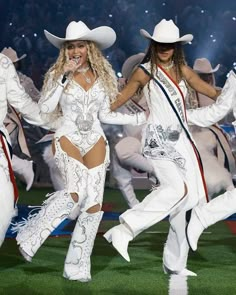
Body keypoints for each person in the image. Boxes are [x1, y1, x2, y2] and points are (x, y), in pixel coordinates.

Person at [13, 20, 146, 282]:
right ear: (65, 49)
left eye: (81, 46)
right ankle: (30, 234)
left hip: (95, 138)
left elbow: (106, 114)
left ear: (90, 48)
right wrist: (64, 76)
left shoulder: (102, 75)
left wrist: (137, 119)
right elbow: (45, 109)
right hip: (67, 136)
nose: (76, 51)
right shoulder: (56, 75)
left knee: (93, 204)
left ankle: (76, 266)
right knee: (75, 193)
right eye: (71, 46)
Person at [103, 19, 236, 276]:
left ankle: (174, 263)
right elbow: (121, 98)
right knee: (177, 190)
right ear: (153, 45)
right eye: (160, 44)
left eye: (170, 45)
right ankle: (125, 229)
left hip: (182, 141)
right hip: (156, 139)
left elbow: (212, 92)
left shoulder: (184, 70)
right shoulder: (144, 71)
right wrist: (96, 107)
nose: (165, 49)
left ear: (177, 47)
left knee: (187, 201)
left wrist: (230, 92)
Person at [0, 51, 55, 248]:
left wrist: (54, 121)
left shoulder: (15, 74)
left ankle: (21, 166)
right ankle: (21, 165)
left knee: (5, 205)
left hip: (7, 132)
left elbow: (28, 102)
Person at [112, 52, 156, 208]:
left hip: (152, 140)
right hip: (130, 140)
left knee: (158, 185)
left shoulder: (155, 91)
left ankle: (157, 199)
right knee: (119, 160)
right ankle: (134, 206)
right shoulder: (119, 89)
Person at [1, 47, 39, 191]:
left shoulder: (24, 81)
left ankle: (22, 167)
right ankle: (22, 167)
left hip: (11, 125)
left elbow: (38, 100)